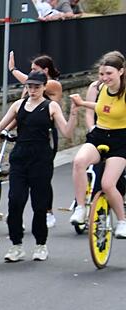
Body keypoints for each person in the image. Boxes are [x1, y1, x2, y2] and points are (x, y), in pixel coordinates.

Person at [0, 71, 78, 261]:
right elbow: (0, 126)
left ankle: (40, 244)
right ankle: (16, 245)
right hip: (20, 156)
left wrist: (75, 112)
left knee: (39, 203)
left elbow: (67, 133)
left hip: (41, 158)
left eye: (37, 87)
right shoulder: (18, 105)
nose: (32, 90)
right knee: (15, 200)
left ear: (44, 87)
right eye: (29, 86)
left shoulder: (50, 106)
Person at [70, 51, 126, 237]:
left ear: (121, 71)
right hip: (99, 134)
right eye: (102, 74)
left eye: (109, 73)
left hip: (120, 139)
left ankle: (122, 221)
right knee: (79, 161)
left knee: (108, 184)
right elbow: (102, 108)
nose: (104, 78)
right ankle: (80, 208)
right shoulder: (101, 88)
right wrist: (82, 103)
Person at [9, 52, 64, 227]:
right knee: (23, 182)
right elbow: (20, 113)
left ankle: (48, 212)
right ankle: (20, 216)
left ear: (45, 70)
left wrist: (13, 69)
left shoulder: (53, 85)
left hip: (46, 135)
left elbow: (30, 80)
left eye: (35, 69)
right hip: (27, 135)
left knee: (43, 177)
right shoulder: (30, 89)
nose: (31, 72)